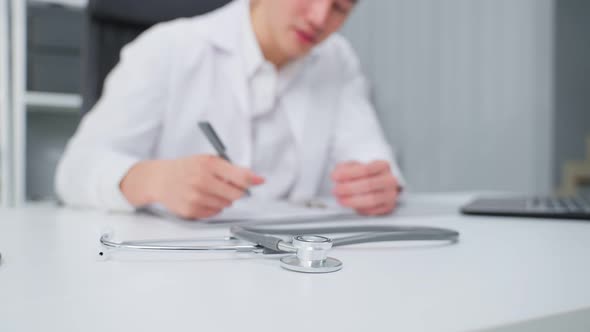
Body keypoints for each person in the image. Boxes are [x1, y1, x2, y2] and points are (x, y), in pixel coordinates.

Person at [55, 0, 404, 219]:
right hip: (180, 273)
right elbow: (75, 169)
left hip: (297, 272)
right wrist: (153, 180)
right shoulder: (168, 48)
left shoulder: (337, 59)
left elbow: (372, 158)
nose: (319, 17)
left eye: (340, 8)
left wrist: (379, 186)